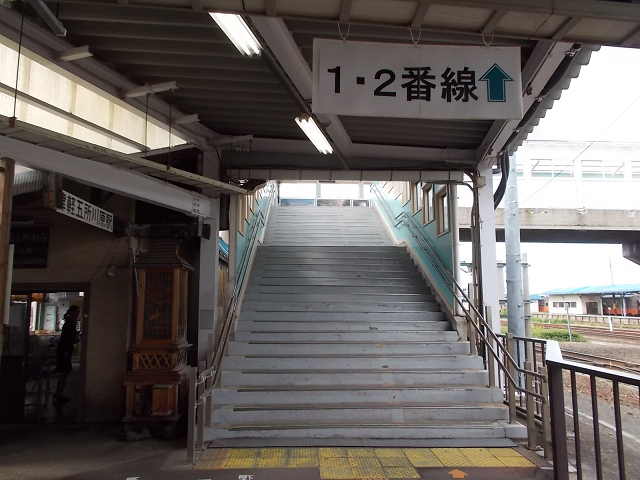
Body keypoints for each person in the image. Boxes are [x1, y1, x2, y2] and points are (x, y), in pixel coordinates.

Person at [53, 305, 80, 405]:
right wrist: (65, 351)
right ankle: (59, 393)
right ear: (72, 312)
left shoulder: (69, 323)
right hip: (65, 350)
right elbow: (68, 339)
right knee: (65, 372)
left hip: (65, 349)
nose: (78, 314)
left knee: (65, 372)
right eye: (77, 311)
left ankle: (59, 392)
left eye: (79, 312)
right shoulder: (69, 324)